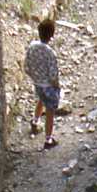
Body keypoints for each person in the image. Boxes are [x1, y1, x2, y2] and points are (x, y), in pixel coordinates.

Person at [24, 18, 61, 148]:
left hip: (37, 83)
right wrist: (57, 86)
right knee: (50, 110)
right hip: (48, 86)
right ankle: (48, 139)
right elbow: (53, 75)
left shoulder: (32, 47)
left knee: (40, 100)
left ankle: (35, 121)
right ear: (51, 35)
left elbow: (26, 67)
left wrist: (35, 78)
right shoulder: (50, 53)